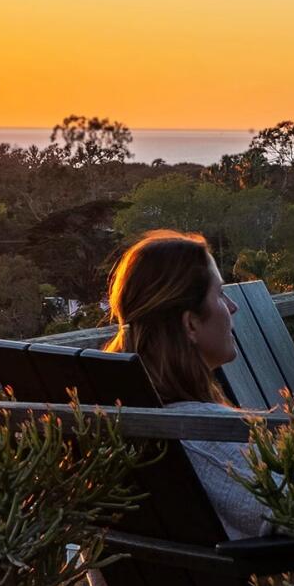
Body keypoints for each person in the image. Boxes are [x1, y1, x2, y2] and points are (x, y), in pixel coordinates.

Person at [105, 229, 267, 536]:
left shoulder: (116, 424)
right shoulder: (204, 436)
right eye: (219, 293)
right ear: (191, 323)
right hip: (256, 581)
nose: (233, 307)